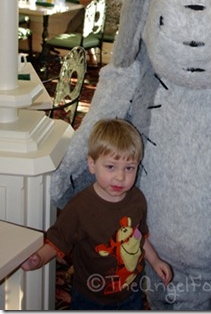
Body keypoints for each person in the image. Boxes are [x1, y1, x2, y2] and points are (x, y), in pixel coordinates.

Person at [21, 118, 172, 310]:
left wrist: (155, 260)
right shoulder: (79, 207)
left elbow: (138, 236)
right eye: (110, 167)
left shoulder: (137, 200)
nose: (120, 177)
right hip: (90, 297)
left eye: (129, 168)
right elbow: (58, 238)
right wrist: (39, 258)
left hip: (131, 292)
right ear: (92, 164)